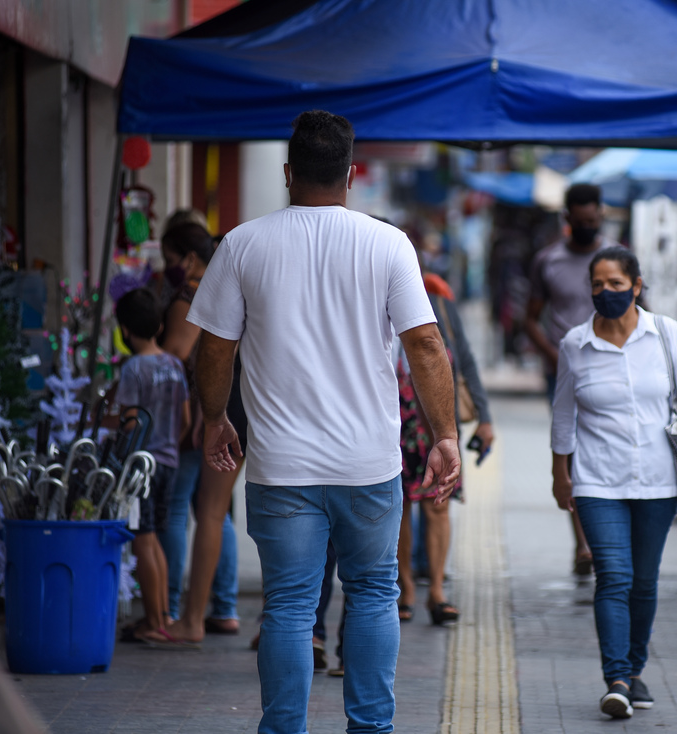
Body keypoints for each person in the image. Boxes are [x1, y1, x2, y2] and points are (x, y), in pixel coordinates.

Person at [184, 110, 460, 734]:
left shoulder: (242, 244)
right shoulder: (388, 243)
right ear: (352, 173)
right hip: (369, 465)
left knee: (287, 606)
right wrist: (445, 435)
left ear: (288, 173)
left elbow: (215, 349)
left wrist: (215, 419)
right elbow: (424, 343)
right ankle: (371, 728)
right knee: (373, 594)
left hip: (281, 468)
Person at [550, 248, 677, 720]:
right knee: (614, 576)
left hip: (658, 483)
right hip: (597, 482)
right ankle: (617, 679)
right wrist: (560, 475)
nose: (606, 292)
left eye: (616, 284)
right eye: (597, 285)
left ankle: (635, 668)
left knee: (643, 582)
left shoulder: (666, 334)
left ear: (636, 286)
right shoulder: (575, 345)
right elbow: (563, 415)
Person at [156, 222, 243, 641]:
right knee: (217, 512)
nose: (167, 268)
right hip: (243, 407)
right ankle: (222, 607)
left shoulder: (195, 295)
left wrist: (204, 415)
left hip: (213, 412)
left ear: (192, 259)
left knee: (196, 510)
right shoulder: (238, 291)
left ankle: (182, 615)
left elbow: (178, 355)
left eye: (170, 259)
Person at [526, 183, 613, 576]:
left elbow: (640, 311)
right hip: (562, 374)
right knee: (572, 451)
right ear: (566, 220)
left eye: (592, 220)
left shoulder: (616, 259)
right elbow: (530, 319)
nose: (587, 226)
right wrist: (554, 356)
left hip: (609, 370)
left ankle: (602, 535)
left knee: (605, 450)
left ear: (601, 216)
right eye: (579, 221)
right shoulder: (548, 261)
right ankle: (583, 543)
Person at [396, 281, 493, 625]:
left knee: (438, 504)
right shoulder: (367, 296)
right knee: (399, 506)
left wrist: (485, 418)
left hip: (437, 419)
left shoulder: (437, 301)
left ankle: (437, 590)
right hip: (393, 419)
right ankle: (405, 588)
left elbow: (465, 361)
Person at [113, 288, 191, 646]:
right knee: (155, 537)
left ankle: (153, 621)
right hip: (170, 461)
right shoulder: (174, 366)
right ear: (160, 325)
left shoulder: (133, 369)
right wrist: (169, 444)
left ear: (125, 330)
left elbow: (130, 422)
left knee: (142, 539)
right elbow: (185, 420)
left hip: (141, 466)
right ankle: (162, 617)